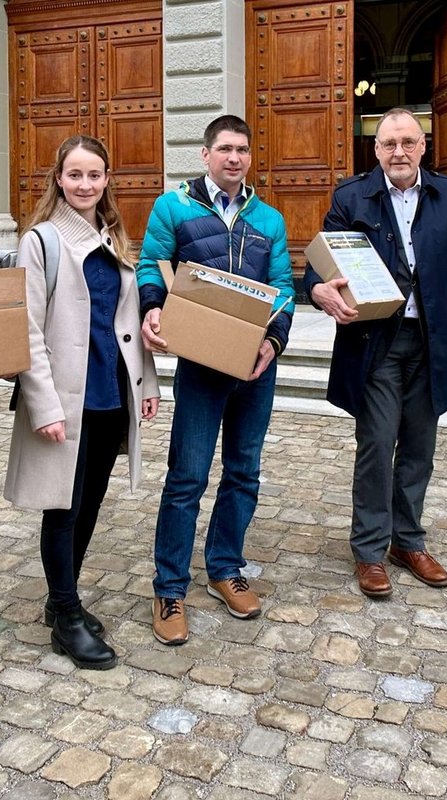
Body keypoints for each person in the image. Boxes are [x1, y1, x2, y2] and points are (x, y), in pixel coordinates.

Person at [304, 107, 447, 599]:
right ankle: (369, 549)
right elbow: (319, 262)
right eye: (389, 144)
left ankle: (407, 541)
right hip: (376, 343)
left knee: (419, 448)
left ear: (424, 145)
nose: (399, 152)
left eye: (408, 142)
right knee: (376, 443)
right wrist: (318, 290)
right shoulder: (352, 196)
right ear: (376, 149)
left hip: (432, 343)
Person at [136, 114, 295, 645]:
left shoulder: (268, 219)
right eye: (225, 149)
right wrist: (153, 308)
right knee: (187, 477)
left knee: (244, 472)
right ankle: (170, 587)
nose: (234, 158)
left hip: (254, 367)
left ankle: (225, 568)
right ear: (204, 155)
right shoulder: (173, 207)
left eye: (243, 150)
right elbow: (150, 264)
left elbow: (283, 287)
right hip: (201, 367)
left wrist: (272, 344)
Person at [3, 135, 160, 670]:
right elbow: (25, 327)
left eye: (94, 175)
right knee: (63, 507)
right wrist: (42, 404)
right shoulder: (43, 240)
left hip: (110, 390)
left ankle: (58, 599)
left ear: (107, 178)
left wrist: (148, 384)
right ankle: (67, 617)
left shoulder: (114, 237)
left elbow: (130, 321)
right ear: (59, 179)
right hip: (64, 396)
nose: (85, 185)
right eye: (75, 175)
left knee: (90, 501)